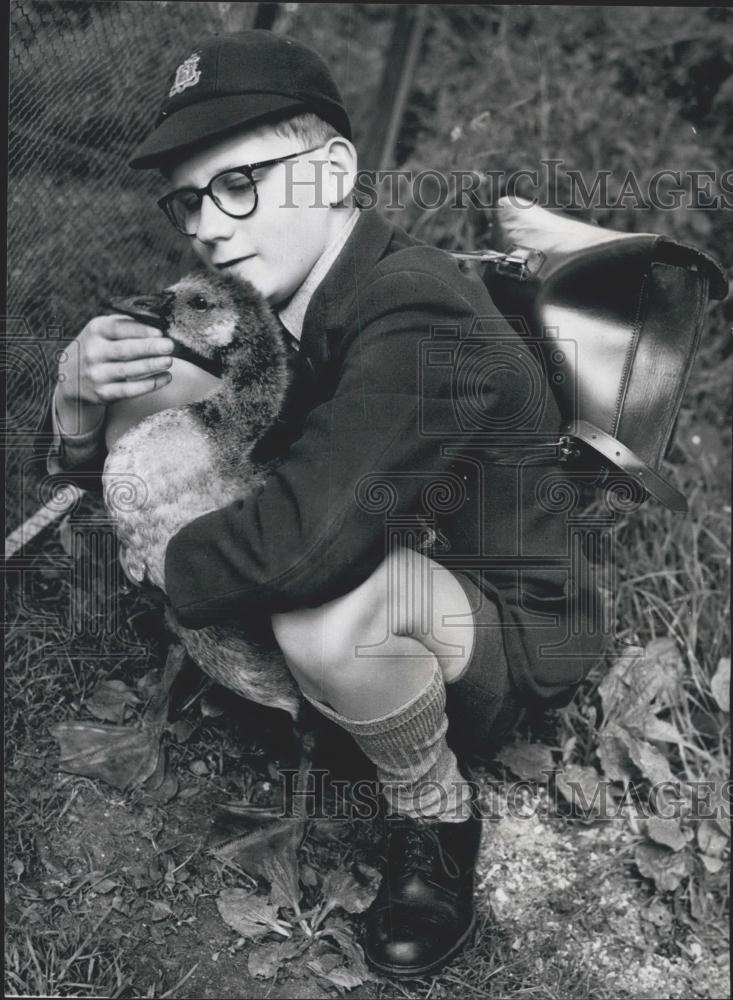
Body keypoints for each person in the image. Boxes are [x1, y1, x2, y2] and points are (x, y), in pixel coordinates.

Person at [47, 29, 603, 978]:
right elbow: (207, 432)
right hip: (397, 544)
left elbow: (310, 543)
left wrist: (150, 561)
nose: (208, 227)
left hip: (508, 623)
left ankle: (434, 816)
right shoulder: (297, 294)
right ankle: (305, 691)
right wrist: (76, 401)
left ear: (333, 170)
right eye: (188, 200)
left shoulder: (414, 310)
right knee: (150, 375)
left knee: (325, 613)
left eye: (239, 184)